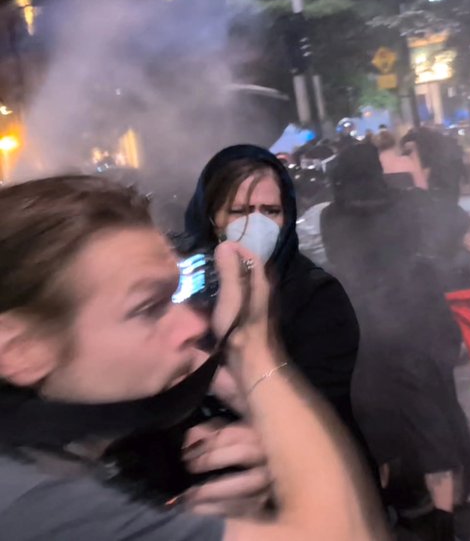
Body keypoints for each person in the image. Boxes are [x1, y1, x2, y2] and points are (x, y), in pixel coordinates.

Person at [0, 176, 385, 539]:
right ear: (19, 351)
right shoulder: (34, 506)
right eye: (147, 307)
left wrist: (180, 517)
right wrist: (253, 349)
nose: (193, 325)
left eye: (174, 295)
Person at [322, 144, 470, 538]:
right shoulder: (408, 206)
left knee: (377, 421)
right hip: (414, 323)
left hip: (363, 329)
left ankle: (380, 510)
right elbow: (455, 223)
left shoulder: (330, 217)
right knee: (430, 417)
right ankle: (446, 515)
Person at [182, 145, 365, 451]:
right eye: (238, 211)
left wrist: (210, 374)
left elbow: (317, 411)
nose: (256, 224)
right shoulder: (186, 286)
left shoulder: (317, 294)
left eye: (271, 211)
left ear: (287, 214)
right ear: (212, 218)